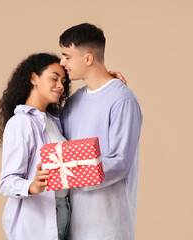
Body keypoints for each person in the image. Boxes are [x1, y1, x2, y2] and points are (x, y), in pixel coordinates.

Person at [0, 53, 125, 240]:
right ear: (34, 78)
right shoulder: (21, 123)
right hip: (37, 217)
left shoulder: (53, 120)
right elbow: (6, 182)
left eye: (63, 81)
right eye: (54, 78)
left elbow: (85, 102)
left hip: (63, 210)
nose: (60, 86)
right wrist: (32, 186)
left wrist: (106, 83)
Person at [59, 23, 143, 240]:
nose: (62, 63)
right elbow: (56, 144)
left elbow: (120, 162)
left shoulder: (122, 100)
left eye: (67, 56)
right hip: (74, 224)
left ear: (88, 58)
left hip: (109, 224)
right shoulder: (74, 102)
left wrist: (66, 173)